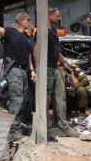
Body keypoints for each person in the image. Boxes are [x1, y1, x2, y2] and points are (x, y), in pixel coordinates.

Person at [0, 12, 36, 134]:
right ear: (21, 21)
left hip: (24, 71)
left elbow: (28, 55)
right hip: (14, 70)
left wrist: (32, 70)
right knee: (17, 99)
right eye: (28, 20)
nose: (30, 22)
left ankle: (17, 123)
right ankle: (13, 128)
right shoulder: (11, 31)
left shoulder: (26, 37)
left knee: (23, 100)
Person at [34, 7, 79, 138]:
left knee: (60, 97)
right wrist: (38, 68)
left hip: (55, 67)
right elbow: (36, 50)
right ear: (50, 16)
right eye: (57, 16)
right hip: (46, 68)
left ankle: (63, 127)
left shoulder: (53, 31)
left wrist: (65, 64)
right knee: (46, 98)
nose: (59, 18)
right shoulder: (41, 31)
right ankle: (45, 128)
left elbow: (56, 51)